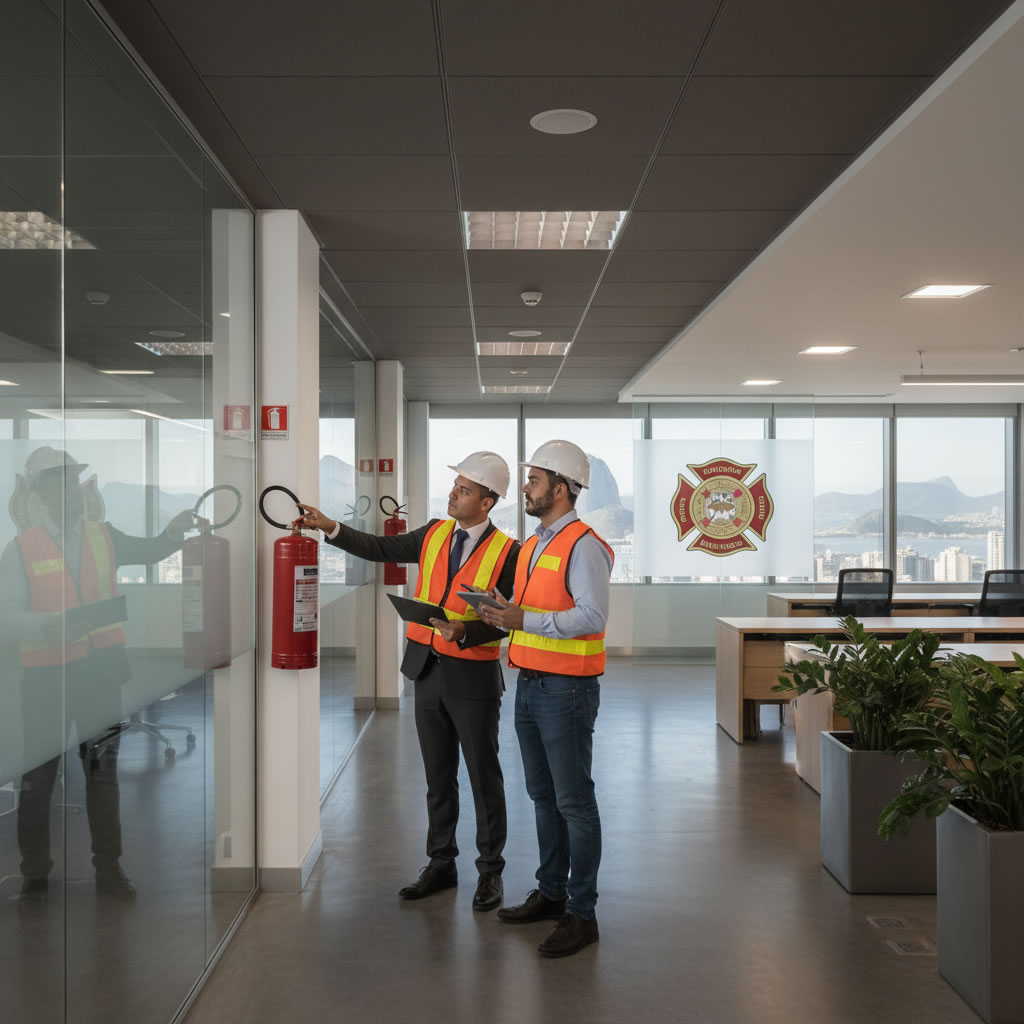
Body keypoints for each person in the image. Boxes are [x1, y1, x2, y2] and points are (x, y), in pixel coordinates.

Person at [296, 451, 520, 912]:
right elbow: (380, 549)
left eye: (464, 489)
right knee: (438, 777)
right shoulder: (435, 532)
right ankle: (441, 863)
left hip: (473, 675)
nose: (453, 494)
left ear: (488, 501)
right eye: (455, 486)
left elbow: (508, 620)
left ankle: (490, 872)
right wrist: (328, 527)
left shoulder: (509, 553)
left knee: (483, 777)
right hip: (426, 670)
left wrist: (467, 630)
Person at [0, 446, 200, 904]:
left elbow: (150, 551)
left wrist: (172, 532)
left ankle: (109, 868)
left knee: (102, 774)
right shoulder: (21, 549)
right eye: (62, 482)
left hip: (101, 674)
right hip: (47, 677)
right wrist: (45, 625)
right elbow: (5, 612)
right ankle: (35, 876)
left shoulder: (102, 535)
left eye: (73, 480)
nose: (72, 490)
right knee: (38, 780)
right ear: (43, 493)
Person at [478, 440, 613, 958]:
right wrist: (503, 610)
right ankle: (553, 893)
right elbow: (535, 609)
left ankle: (582, 913)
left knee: (574, 802)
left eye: (533, 481)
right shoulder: (534, 545)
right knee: (543, 796)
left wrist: (523, 620)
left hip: (568, 691)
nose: (526, 490)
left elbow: (592, 617)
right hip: (531, 685)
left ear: (561, 488)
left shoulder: (585, 545)